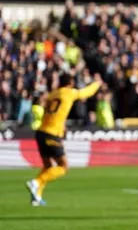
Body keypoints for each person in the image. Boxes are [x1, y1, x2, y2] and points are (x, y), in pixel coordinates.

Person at [25, 72, 102, 206]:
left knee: (48, 166)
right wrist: (97, 84)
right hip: (51, 134)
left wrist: (62, 127)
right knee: (63, 166)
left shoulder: (53, 94)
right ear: (70, 83)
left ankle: (37, 195)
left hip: (41, 133)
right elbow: (86, 93)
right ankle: (36, 182)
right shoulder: (69, 93)